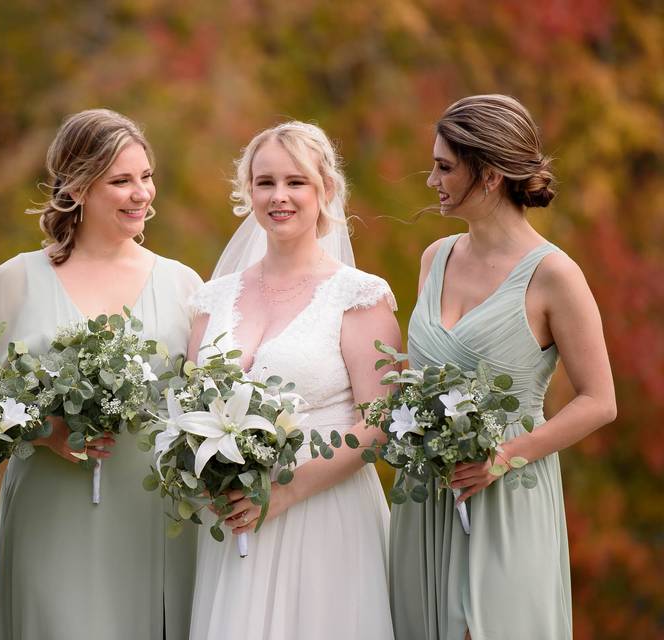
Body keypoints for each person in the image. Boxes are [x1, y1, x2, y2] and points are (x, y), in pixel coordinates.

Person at [389, 94, 617, 640]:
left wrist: (504, 457)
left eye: (444, 167)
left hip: (505, 494)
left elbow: (600, 401)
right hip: (426, 494)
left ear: (490, 175)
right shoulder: (434, 258)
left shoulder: (554, 274)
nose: (432, 181)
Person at [0, 109, 203, 640]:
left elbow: (200, 405)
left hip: (153, 515)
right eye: (121, 180)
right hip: (49, 512)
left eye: (146, 176)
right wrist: (45, 432)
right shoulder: (15, 281)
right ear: (78, 186)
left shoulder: (183, 285)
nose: (141, 193)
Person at [187, 121, 399, 640]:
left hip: (324, 513)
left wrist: (283, 492)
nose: (279, 196)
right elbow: (190, 407)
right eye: (265, 183)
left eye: (296, 182)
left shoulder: (359, 296)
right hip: (235, 517)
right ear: (248, 192)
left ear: (326, 189)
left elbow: (379, 422)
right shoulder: (211, 299)